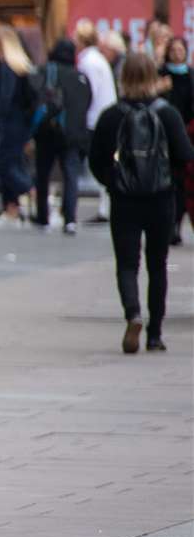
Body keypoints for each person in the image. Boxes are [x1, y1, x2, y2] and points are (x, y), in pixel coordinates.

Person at [89, 54, 194, 354]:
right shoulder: (167, 113)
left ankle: (133, 313)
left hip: (124, 201)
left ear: (123, 78)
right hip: (160, 199)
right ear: (153, 77)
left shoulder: (112, 116)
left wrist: (113, 180)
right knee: (157, 265)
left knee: (127, 263)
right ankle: (155, 333)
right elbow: (185, 155)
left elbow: (95, 159)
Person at [31, 39, 92, 235]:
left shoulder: (47, 71)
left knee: (43, 174)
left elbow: (35, 97)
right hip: (73, 134)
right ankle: (70, 218)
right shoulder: (81, 77)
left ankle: (43, 216)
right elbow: (88, 102)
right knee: (71, 174)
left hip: (49, 131)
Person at [0, 24, 36, 223]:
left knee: (5, 166)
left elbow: (5, 98)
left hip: (12, 123)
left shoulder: (8, 68)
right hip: (20, 123)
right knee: (12, 163)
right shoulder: (19, 66)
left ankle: (31, 191)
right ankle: (11, 208)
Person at [76, 20, 119, 223]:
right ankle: (106, 206)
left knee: (100, 162)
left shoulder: (89, 62)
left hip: (96, 118)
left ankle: (106, 208)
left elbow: (87, 93)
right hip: (102, 115)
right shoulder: (97, 59)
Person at [160, 37, 192, 245]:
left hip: (187, 134)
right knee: (167, 182)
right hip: (163, 136)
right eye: (174, 50)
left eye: (181, 50)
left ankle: (176, 224)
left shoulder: (190, 76)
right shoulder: (161, 75)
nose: (177, 53)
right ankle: (167, 224)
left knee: (182, 183)